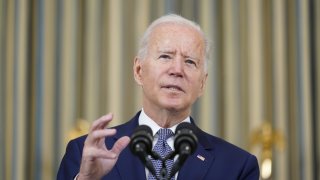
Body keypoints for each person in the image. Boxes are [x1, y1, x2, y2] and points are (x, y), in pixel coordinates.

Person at [57, 14, 260, 180]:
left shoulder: (237, 166)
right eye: (165, 56)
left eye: (190, 62)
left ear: (202, 83)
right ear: (138, 70)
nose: (177, 70)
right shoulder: (85, 154)